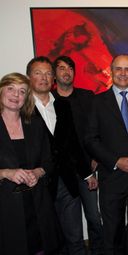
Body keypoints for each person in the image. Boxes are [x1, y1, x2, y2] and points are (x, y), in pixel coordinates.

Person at [84, 54, 128, 255]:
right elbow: (90, 139)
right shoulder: (96, 102)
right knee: (112, 232)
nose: (123, 73)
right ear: (111, 71)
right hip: (112, 177)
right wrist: (115, 161)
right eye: (119, 69)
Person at [26, 56, 93, 255]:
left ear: (53, 78)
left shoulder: (63, 105)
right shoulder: (23, 108)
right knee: (50, 241)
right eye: (38, 73)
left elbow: (72, 143)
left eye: (48, 73)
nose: (44, 77)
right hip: (38, 184)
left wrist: (87, 174)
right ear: (29, 77)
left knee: (75, 238)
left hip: (66, 182)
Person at [0, 72, 63, 255]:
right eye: (10, 89)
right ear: (1, 91)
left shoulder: (35, 124)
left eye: (22, 91)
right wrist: (5, 173)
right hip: (5, 208)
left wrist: (38, 172)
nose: (16, 95)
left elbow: (50, 161)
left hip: (37, 204)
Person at [52, 55, 103, 255]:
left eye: (70, 68)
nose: (67, 72)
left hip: (88, 168)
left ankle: (98, 251)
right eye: (62, 68)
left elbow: (98, 130)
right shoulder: (50, 100)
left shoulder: (87, 97)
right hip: (63, 173)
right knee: (69, 225)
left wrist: (96, 158)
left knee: (94, 218)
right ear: (54, 75)